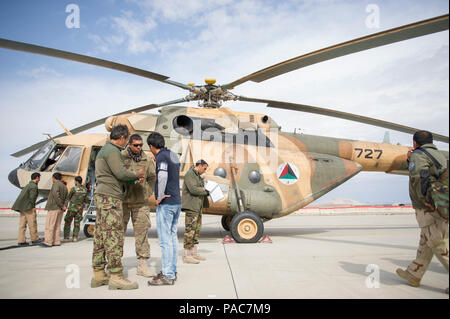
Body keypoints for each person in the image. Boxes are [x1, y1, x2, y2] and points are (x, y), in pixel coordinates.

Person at [90, 125, 144, 290]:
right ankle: (116, 276)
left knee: (100, 235)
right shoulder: (113, 150)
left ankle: (98, 274)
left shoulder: (104, 150)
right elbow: (120, 173)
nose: (127, 143)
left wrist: (133, 181)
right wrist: (137, 174)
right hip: (110, 198)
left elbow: (114, 175)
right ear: (122, 138)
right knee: (114, 235)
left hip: (102, 196)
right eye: (127, 140)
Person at [396, 130, 449, 295]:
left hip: (428, 206)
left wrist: (424, 200)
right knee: (426, 241)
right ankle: (414, 273)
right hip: (441, 203)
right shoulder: (438, 155)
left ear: (415, 143)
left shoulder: (418, 155)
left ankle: (414, 273)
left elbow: (420, 176)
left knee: (437, 242)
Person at [147, 132, 181, 286]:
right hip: (176, 202)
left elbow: (161, 176)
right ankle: (171, 270)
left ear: (151, 146)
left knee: (165, 241)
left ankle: (167, 274)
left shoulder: (161, 157)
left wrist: (159, 196)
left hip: (166, 203)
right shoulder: (173, 155)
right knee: (172, 238)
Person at [121, 134, 156, 278]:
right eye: (136, 145)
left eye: (141, 145)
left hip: (140, 202)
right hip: (122, 202)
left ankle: (142, 265)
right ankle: (115, 264)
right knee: (117, 233)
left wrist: (147, 192)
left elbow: (152, 177)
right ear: (129, 144)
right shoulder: (120, 157)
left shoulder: (146, 159)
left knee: (142, 234)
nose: (139, 147)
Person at [182, 159, 209, 264]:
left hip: (198, 207)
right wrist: (206, 191)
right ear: (200, 166)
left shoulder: (197, 175)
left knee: (196, 231)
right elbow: (193, 189)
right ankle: (187, 255)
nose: (205, 171)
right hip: (191, 207)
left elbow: (199, 187)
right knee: (190, 231)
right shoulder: (190, 174)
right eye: (205, 168)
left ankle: (194, 252)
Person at [12, 172, 43, 246]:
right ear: (37, 178)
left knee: (22, 225)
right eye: (39, 178)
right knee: (32, 223)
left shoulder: (28, 185)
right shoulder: (33, 186)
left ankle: (21, 240)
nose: (39, 179)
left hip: (22, 207)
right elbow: (32, 198)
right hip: (28, 207)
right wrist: (32, 207)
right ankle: (34, 239)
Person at [41, 173, 68, 247]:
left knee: (50, 225)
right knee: (57, 226)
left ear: (54, 178)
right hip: (60, 210)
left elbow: (56, 195)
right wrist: (64, 206)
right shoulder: (64, 186)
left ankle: (48, 242)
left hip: (54, 208)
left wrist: (61, 205)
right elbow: (66, 198)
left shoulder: (56, 184)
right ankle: (56, 241)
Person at [63, 176, 89, 242]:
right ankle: (75, 238)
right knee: (77, 223)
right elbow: (86, 200)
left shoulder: (74, 188)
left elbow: (69, 197)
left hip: (72, 208)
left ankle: (66, 237)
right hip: (80, 209)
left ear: (76, 182)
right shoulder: (85, 189)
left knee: (68, 222)